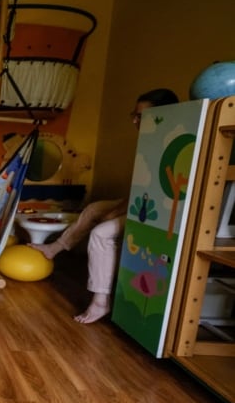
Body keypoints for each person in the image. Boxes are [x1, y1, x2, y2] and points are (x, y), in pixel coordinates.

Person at [29, 88, 179, 324]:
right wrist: (115, 209)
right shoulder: (149, 141)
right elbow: (140, 188)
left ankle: (101, 301)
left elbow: (151, 195)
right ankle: (54, 249)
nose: (134, 120)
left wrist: (115, 213)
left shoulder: (167, 141)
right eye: (135, 114)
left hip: (156, 212)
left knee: (101, 233)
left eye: (141, 116)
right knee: (93, 209)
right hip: (140, 202)